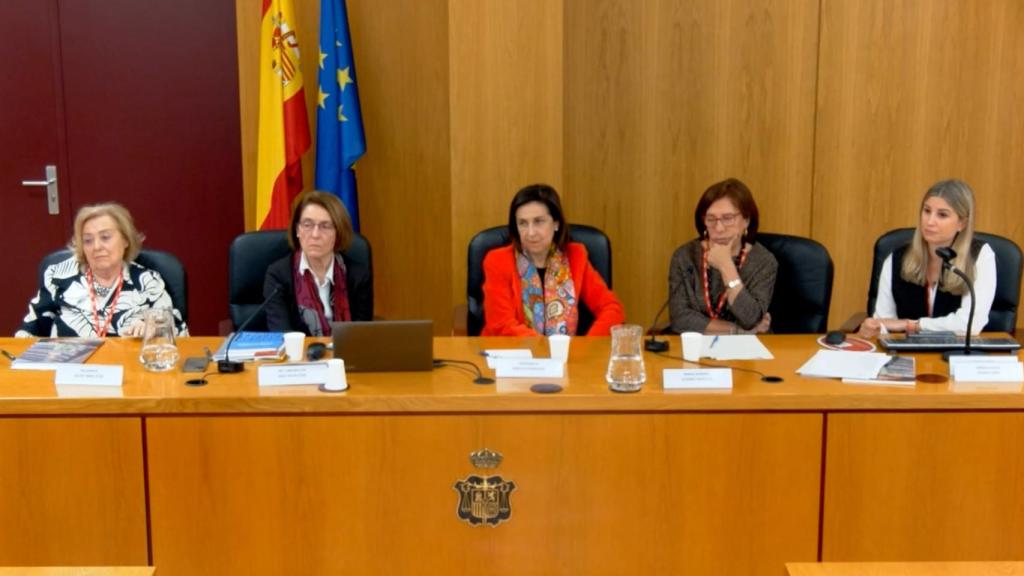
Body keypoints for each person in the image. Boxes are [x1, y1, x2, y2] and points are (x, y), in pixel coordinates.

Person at [17, 203, 187, 337]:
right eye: (88, 240)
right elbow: (30, 328)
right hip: (68, 373)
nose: (97, 247)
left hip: (129, 373)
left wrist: (153, 329)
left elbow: (177, 331)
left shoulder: (147, 281)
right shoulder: (59, 276)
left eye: (105, 237)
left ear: (126, 240)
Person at [482, 183, 625, 336]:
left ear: (556, 223)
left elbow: (611, 308)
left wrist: (586, 345)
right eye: (523, 223)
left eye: (539, 221)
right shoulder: (497, 261)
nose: (530, 233)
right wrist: (545, 350)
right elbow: (500, 325)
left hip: (567, 356)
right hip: (512, 354)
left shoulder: (576, 256)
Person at [859, 179, 994, 337]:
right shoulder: (896, 258)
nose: (930, 222)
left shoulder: (980, 256)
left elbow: (969, 325)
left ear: (962, 223)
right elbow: (885, 323)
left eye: (942, 215)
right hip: (907, 355)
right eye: (927, 211)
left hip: (956, 355)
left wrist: (912, 325)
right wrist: (875, 328)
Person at [668, 178, 777, 334]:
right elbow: (680, 320)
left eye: (728, 218)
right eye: (711, 219)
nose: (718, 228)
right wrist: (738, 331)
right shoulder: (685, 256)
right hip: (696, 347)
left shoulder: (763, 261)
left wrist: (726, 266)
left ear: (746, 220)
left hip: (749, 351)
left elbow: (751, 318)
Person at [264, 191, 373, 335]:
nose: (315, 234)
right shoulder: (278, 275)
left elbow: (361, 334)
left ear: (338, 232)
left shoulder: (358, 275)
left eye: (325, 226)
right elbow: (282, 334)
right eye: (307, 225)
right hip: (299, 356)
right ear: (298, 230)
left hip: (344, 355)